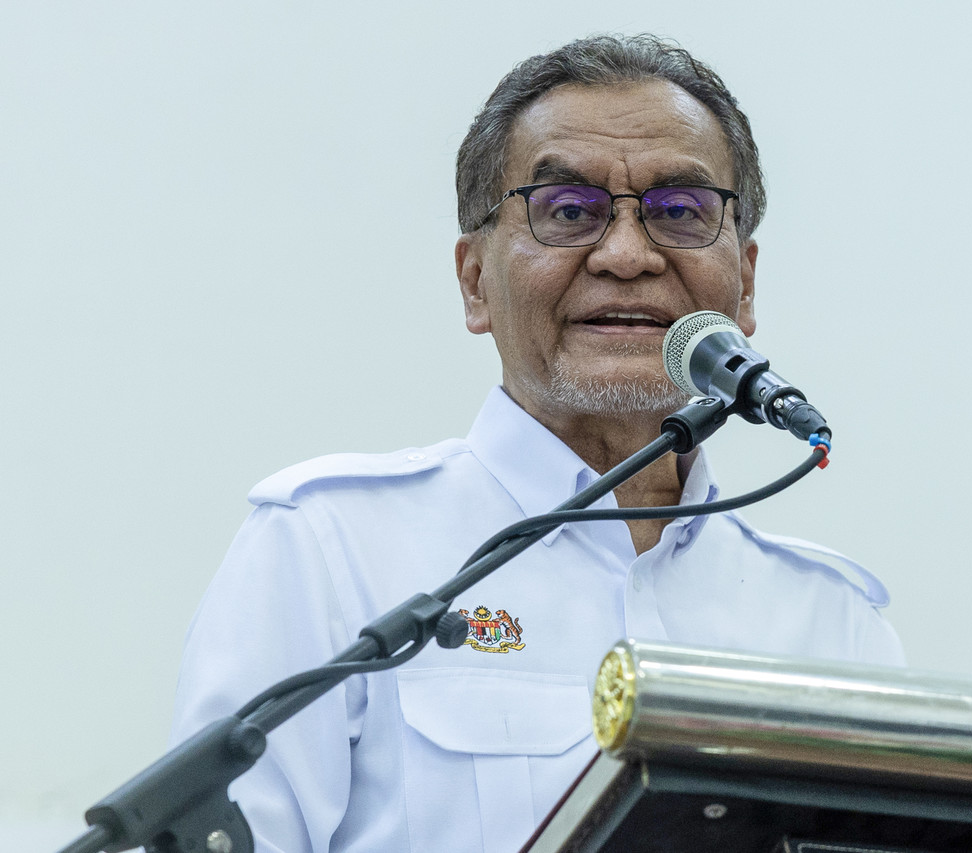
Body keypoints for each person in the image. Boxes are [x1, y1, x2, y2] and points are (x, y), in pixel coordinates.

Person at [171, 34, 905, 853]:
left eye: (680, 212)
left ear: (747, 283)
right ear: (475, 281)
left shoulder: (831, 624)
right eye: (567, 211)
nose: (627, 255)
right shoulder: (329, 551)